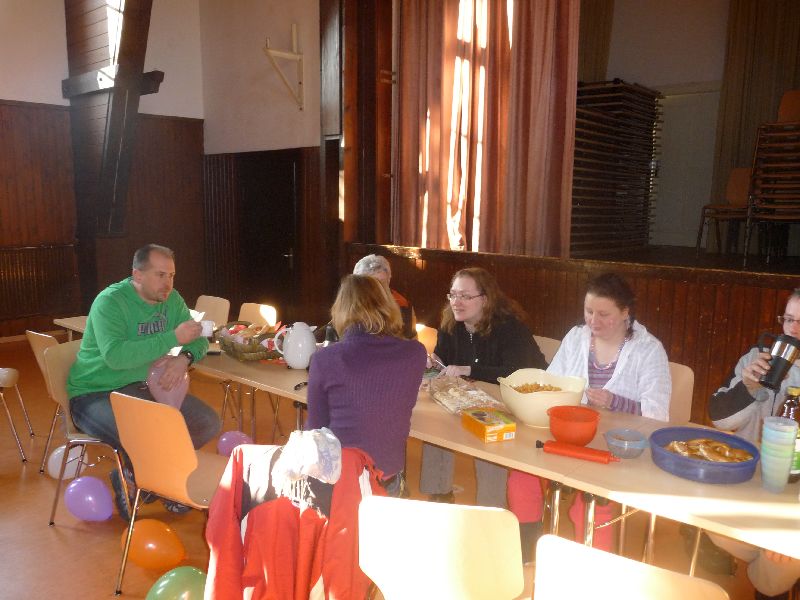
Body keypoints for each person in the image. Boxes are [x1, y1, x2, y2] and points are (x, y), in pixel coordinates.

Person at [507, 273, 671, 559]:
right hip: (571, 435)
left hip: (616, 447)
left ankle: (592, 570)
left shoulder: (648, 349)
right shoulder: (576, 336)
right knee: (522, 475)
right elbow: (553, 383)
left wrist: (616, 402)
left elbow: (657, 414)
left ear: (625, 312)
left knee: (589, 504)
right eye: (589, 311)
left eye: (604, 314)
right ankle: (526, 557)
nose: (593, 321)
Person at [67, 244, 221, 518]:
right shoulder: (110, 302)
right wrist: (173, 337)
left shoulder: (172, 300)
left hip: (143, 388)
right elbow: (116, 357)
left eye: (171, 275)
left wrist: (184, 357)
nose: (168, 283)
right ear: (137, 275)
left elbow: (197, 338)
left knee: (206, 422)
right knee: (145, 434)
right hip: (94, 393)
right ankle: (151, 483)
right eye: (160, 275)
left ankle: (139, 478)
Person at [420, 267, 547, 506]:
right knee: (436, 421)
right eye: (453, 295)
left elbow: (515, 373)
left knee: (488, 436)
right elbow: (443, 358)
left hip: (517, 401)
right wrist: (434, 362)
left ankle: (491, 509)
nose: (456, 302)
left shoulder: (510, 328)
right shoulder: (450, 323)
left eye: (465, 296)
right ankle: (439, 495)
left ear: (485, 299)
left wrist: (469, 370)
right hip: (474, 397)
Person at [707, 290, 800, 600]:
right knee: (707, 520)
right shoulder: (756, 358)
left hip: (794, 498)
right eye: (789, 319)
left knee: (775, 572)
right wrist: (747, 387)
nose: (793, 330)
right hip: (748, 484)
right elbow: (719, 419)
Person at [305, 274, 427, 497]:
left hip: (340, 482)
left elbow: (315, 430)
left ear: (340, 310)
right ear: (388, 306)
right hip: (387, 479)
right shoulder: (416, 353)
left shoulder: (324, 359)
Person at [353, 254, 417, 339]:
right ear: (358, 286)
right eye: (370, 284)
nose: (377, 289)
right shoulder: (348, 305)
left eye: (381, 283)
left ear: (389, 280)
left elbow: (411, 341)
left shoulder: (403, 306)